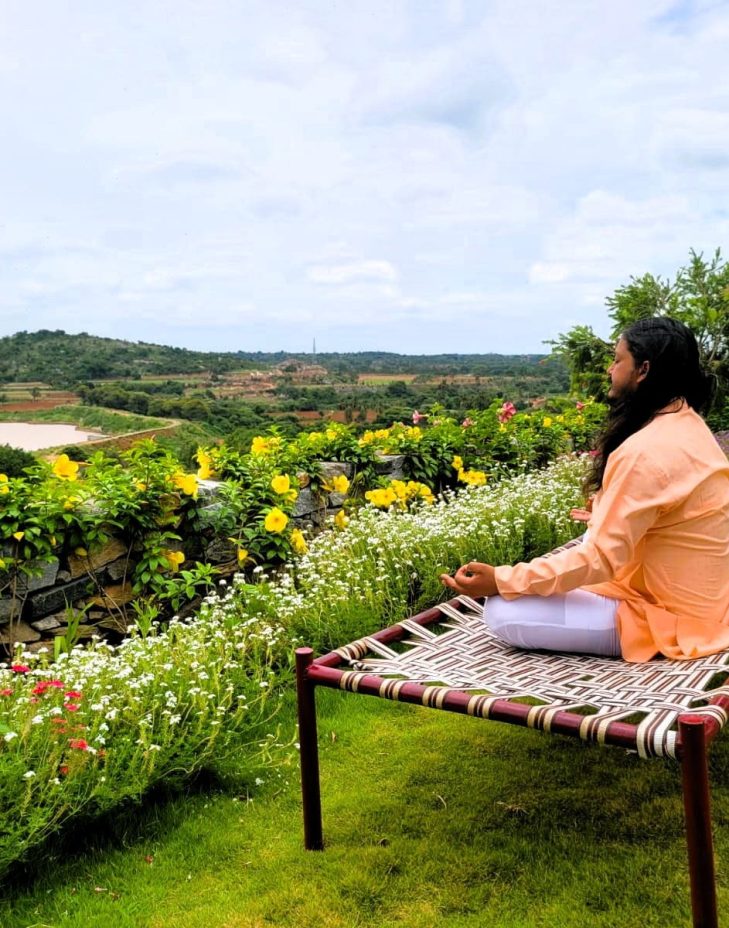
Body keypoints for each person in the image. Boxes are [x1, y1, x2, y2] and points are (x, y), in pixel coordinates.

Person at [441, 317, 729, 661]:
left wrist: (503, 579)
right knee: (582, 547)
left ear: (643, 370)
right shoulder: (688, 423)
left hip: (673, 617)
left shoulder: (645, 451)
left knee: (502, 611)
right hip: (707, 602)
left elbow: (601, 560)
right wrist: (604, 514)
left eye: (617, 359)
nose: (610, 369)